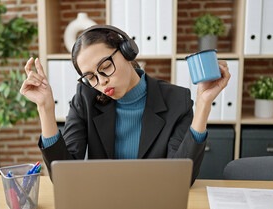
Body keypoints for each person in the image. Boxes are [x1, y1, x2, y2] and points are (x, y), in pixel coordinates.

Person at [20, 25, 230, 184]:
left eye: (105, 66)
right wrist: (45, 108)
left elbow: (183, 178)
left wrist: (203, 104)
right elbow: (62, 175)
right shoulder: (86, 98)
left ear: (127, 52)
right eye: (90, 77)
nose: (101, 82)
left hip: (154, 203)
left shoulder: (177, 100)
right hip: (103, 205)